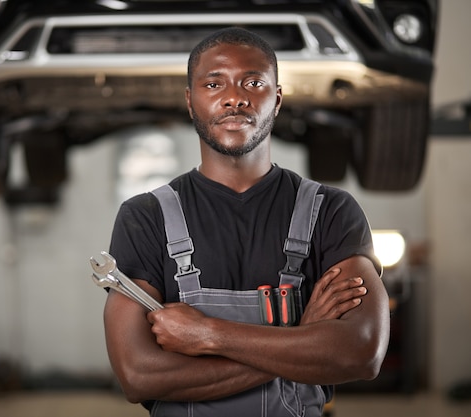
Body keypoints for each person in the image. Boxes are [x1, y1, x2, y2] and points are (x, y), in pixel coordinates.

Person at [103, 27, 390, 417]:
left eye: (253, 82)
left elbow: (362, 352)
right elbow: (138, 376)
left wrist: (207, 334)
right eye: (213, 83)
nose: (235, 97)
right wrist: (301, 338)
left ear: (277, 99)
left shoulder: (331, 211)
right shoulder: (145, 218)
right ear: (190, 101)